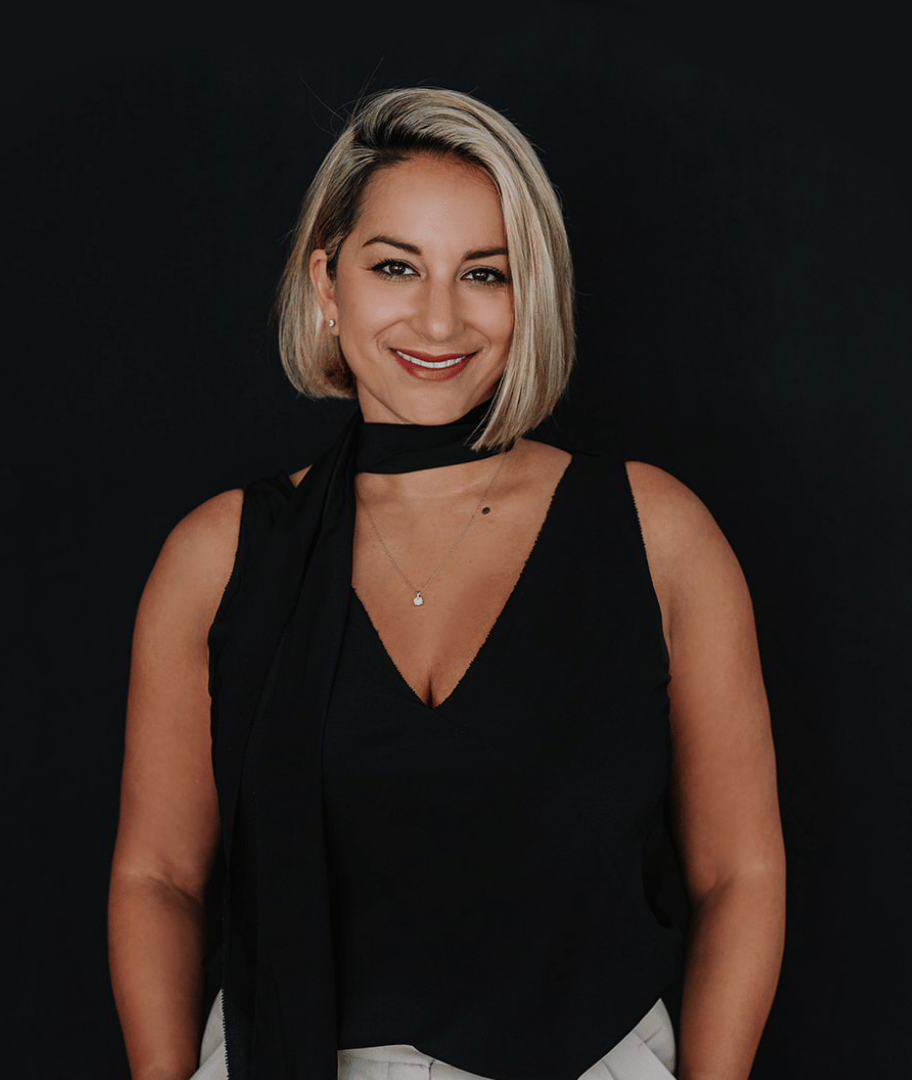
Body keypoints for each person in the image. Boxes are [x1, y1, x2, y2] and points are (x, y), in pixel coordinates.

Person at [108, 87, 785, 1080]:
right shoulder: (218, 557)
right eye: (395, 266)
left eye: (484, 273)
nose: (438, 316)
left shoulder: (659, 534)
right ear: (327, 283)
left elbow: (740, 872)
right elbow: (158, 874)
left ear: (529, 295)